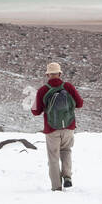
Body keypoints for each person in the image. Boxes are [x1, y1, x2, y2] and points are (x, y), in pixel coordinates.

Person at [32, 62, 83, 191]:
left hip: (51, 129)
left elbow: (36, 112)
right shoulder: (68, 87)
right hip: (68, 126)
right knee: (66, 151)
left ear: (48, 74)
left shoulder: (43, 90)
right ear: (60, 73)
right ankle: (67, 177)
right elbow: (80, 104)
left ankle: (56, 186)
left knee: (53, 157)